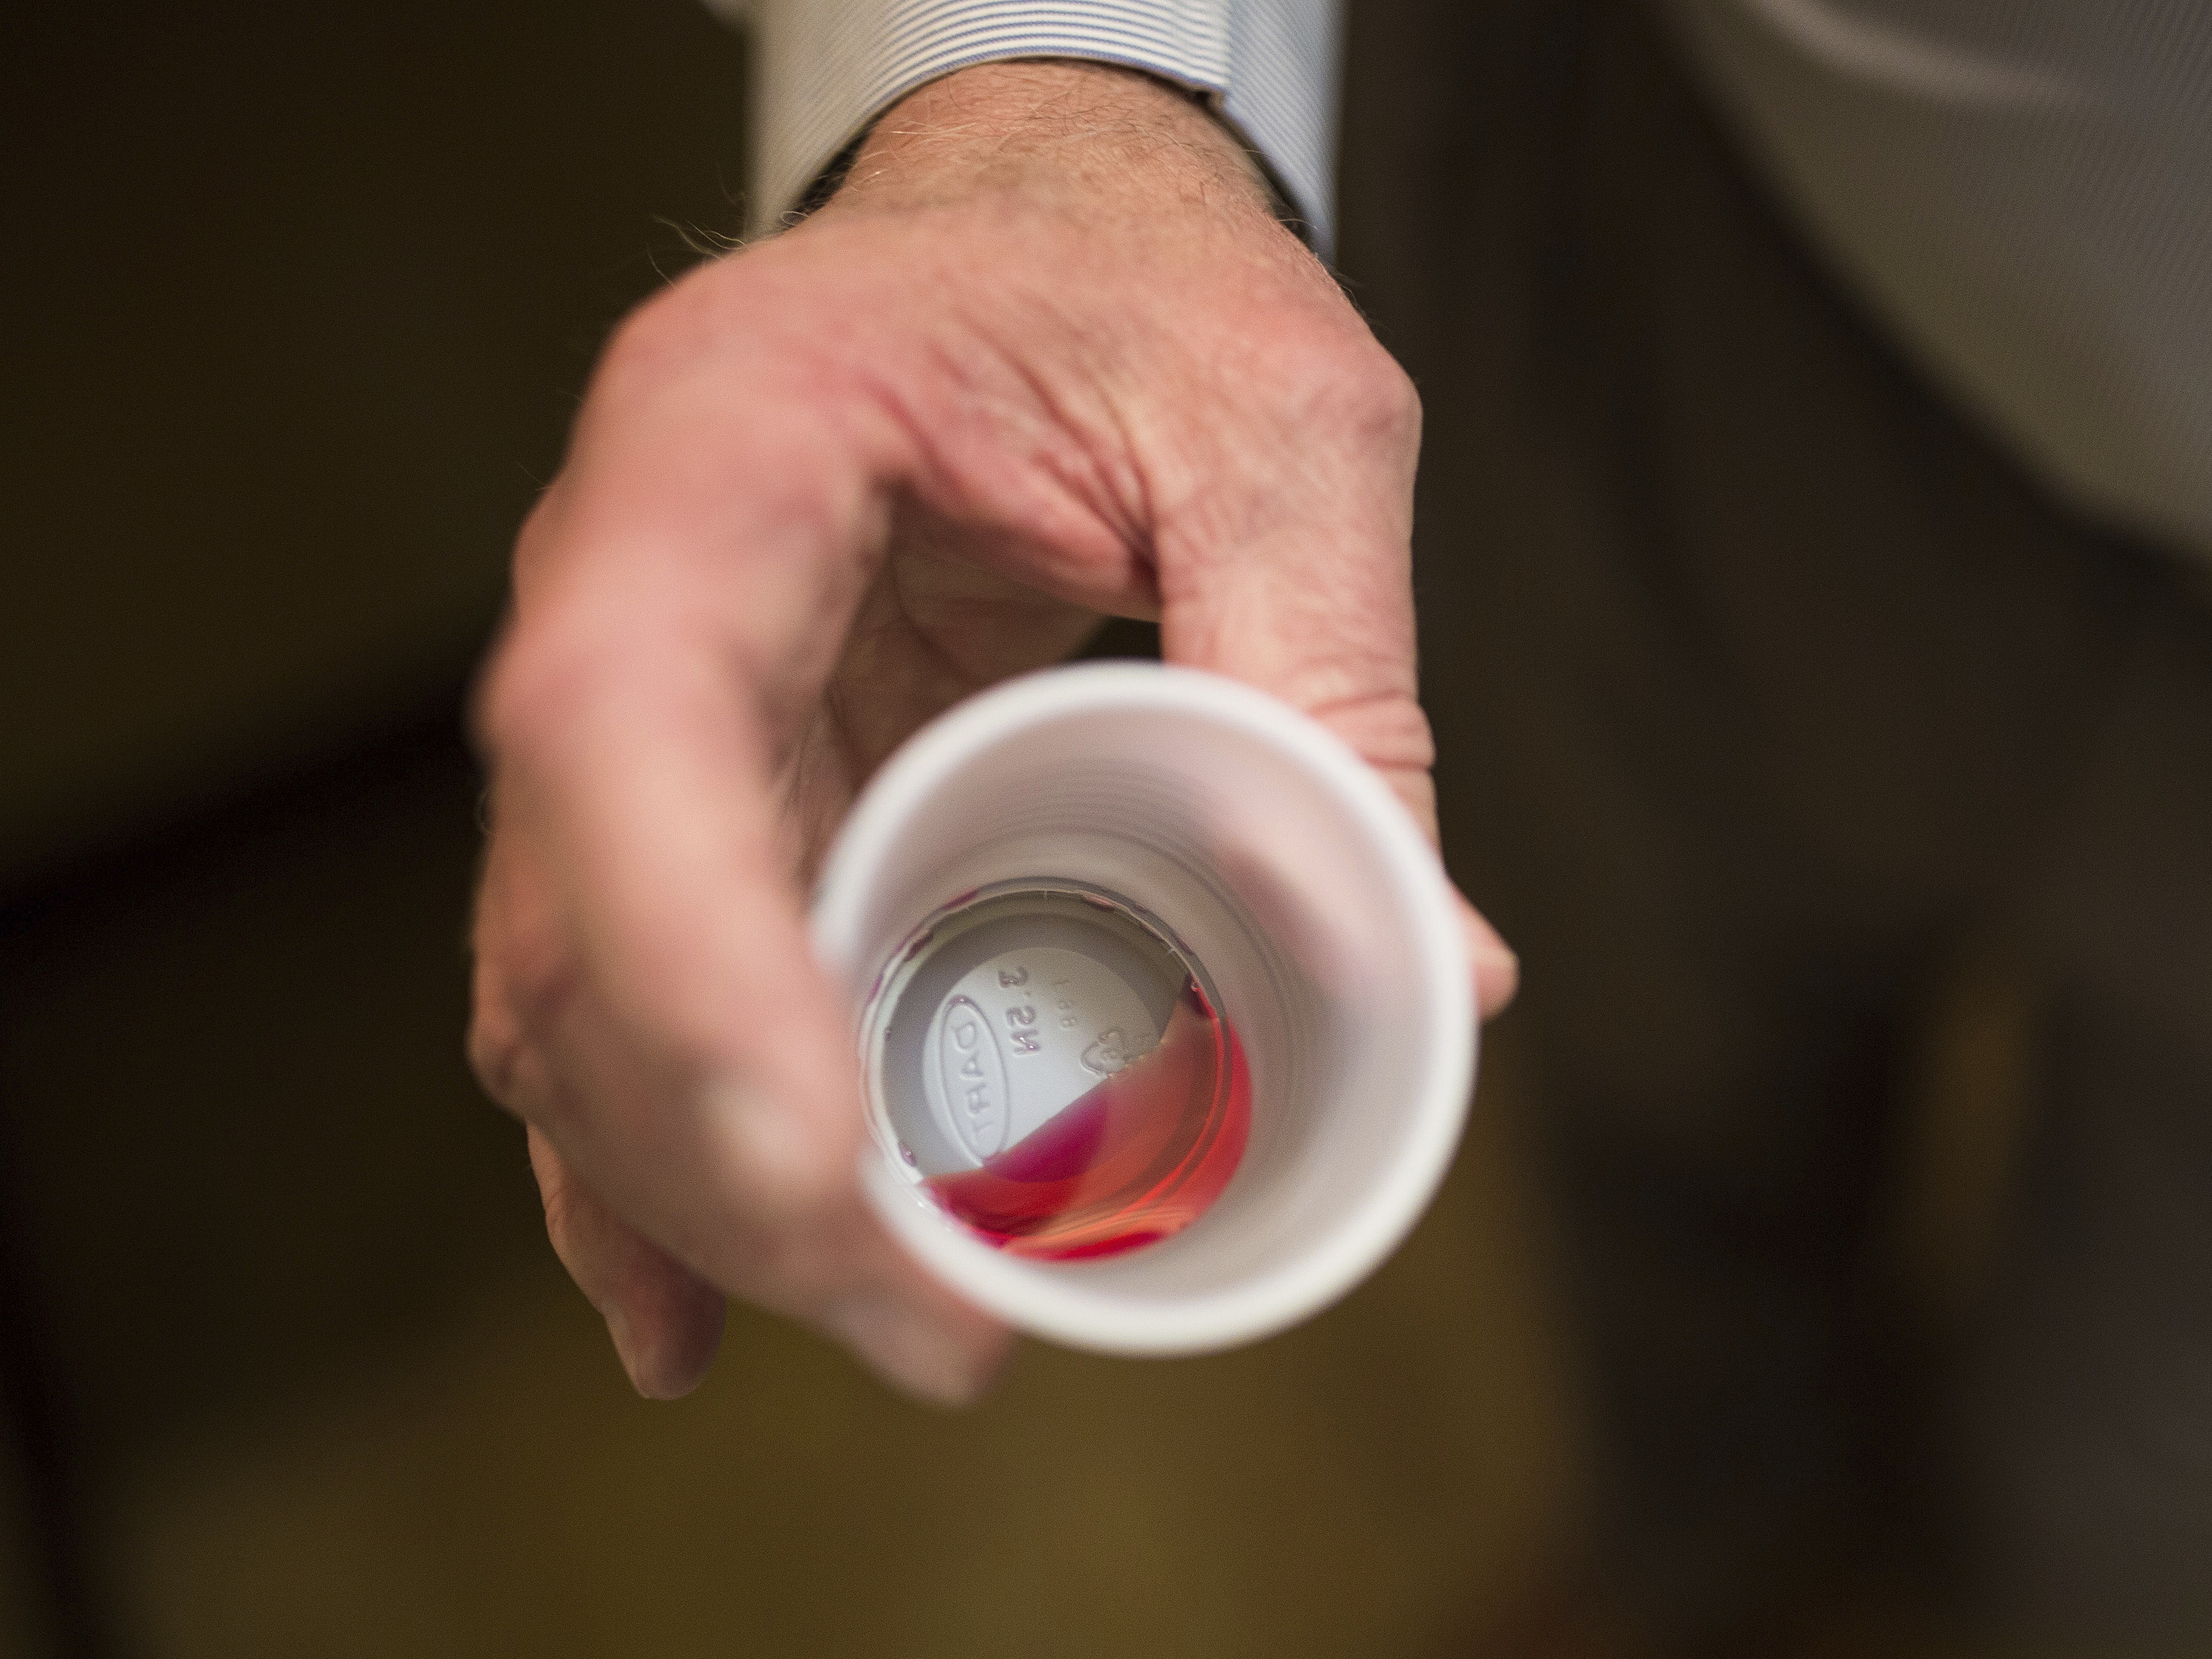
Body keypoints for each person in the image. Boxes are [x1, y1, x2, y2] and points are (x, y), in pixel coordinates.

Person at [468, 1, 2212, 1648]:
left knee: (2134, 1501)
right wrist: (1034, 90)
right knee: (1652, 1112)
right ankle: (1708, 1585)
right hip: (1739, 221)